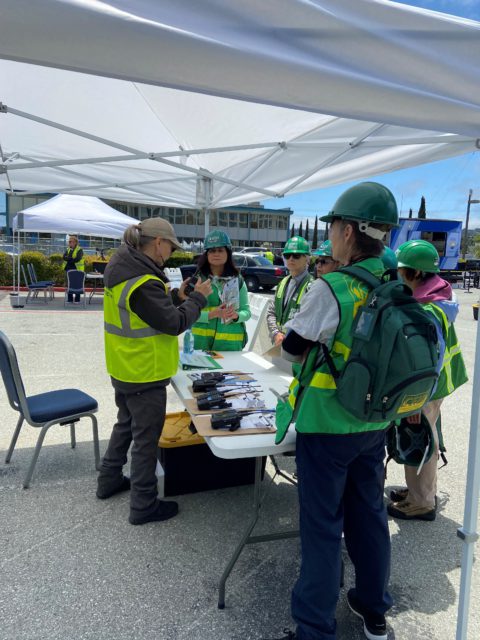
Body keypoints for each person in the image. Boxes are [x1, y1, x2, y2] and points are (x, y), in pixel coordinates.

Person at [267, 182, 399, 640]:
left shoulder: (332, 287)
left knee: (322, 528)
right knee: (370, 516)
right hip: (374, 422)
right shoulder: (395, 285)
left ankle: (314, 629)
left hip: (326, 425)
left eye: (334, 227)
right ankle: (373, 609)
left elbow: (293, 350)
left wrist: (290, 339)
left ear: (346, 231)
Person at [96, 217, 212, 525]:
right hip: (144, 371)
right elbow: (173, 323)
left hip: (124, 366)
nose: (170, 255)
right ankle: (143, 504)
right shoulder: (142, 280)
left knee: (125, 425)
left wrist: (176, 298)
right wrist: (198, 299)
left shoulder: (124, 267)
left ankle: (108, 479)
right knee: (146, 441)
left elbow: (147, 311)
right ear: (158, 243)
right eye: (171, 248)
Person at [387, 239, 467, 521]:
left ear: (417, 273)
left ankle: (422, 501)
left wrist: (416, 399)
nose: (397, 275)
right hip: (436, 385)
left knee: (420, 439)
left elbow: (427, 361)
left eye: (401, 270)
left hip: (426, 388)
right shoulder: (435, 298)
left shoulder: (429, 310)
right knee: (420, 435)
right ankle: (417, 491)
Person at [191, 230, 251, 351]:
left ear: (228, 253)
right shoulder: (197, 280)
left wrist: (237, 316)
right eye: (212, 251)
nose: (216, 254)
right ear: (207, 254)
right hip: (201, 344)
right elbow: (188, 313)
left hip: (231, 345)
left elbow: (247, 312)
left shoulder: (238, 280)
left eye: (220, 250)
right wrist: (212, 314)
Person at [266, 236, 313, 347]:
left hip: (297, 349)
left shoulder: (312, 286)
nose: (291, 259)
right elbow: (271, 312)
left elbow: (310, 323)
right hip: (278, 344)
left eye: (296, 256)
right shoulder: (282, 283)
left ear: (307, 259)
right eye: (287, 255)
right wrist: (276, 333)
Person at [62, 235, 84, 303]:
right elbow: (64, 257)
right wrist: (71, 259)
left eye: (71, 241)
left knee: (76, 284)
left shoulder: (79, 249)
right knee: (68, 284)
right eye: (69, 242)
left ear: (75, 242)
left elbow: (77, 259)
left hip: (77, 269)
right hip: (68, 269)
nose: (69, 243)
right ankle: (70, 299)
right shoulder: (68, 249)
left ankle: (77, 299)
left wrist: (69, 259)